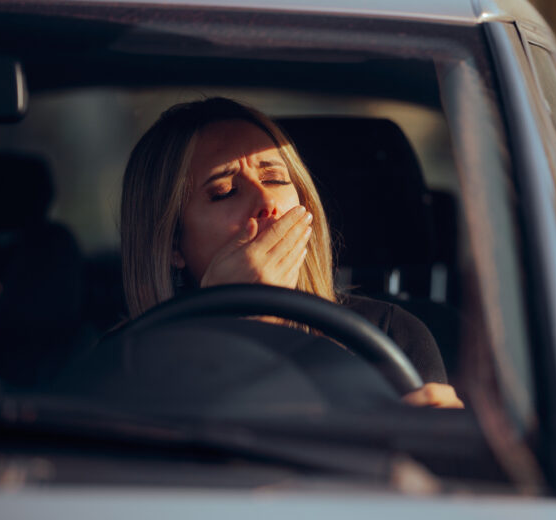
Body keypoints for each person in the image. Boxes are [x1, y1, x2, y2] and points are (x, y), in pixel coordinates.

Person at [120, 97, 462, 408]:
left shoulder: (391, 335)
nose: (267, 202)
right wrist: (233, 325)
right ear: (173, 245)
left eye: (275, 179)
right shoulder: (124, 361)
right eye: (224, 192)